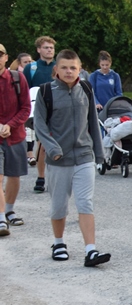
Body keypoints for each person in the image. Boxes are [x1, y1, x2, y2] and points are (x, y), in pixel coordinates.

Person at [33, 50, 110, 266]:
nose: (69, 71)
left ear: (80, 69)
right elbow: (39, 125)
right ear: (56, 69)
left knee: (85, 203)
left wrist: (99, 153)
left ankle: (90, 251)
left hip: (84, 156)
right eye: (64, 67)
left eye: (73, 68)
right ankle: (59, 243)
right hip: (58, 160)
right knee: (59, 205)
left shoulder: (85, 88)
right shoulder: (46, 92)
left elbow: (93, 121)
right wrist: (52, 148)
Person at [0, 44, 32, 236]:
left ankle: (9, 210)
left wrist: (10, 125)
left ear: (6, 57)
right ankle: (1, 218)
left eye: (0, 54)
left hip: (16, 135)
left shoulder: (17, 78)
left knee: (14, 175)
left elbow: (26, 107)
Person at [26, 36, 56, 193]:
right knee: (43, 144)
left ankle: (57, 178)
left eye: (51, 48)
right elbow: (25, 92)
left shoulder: (59, 66)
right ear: (38, 50)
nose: (49, 50)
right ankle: (41, 177)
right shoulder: (31, 68)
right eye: (46, 47)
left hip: (58, 111)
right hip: (39, 111)